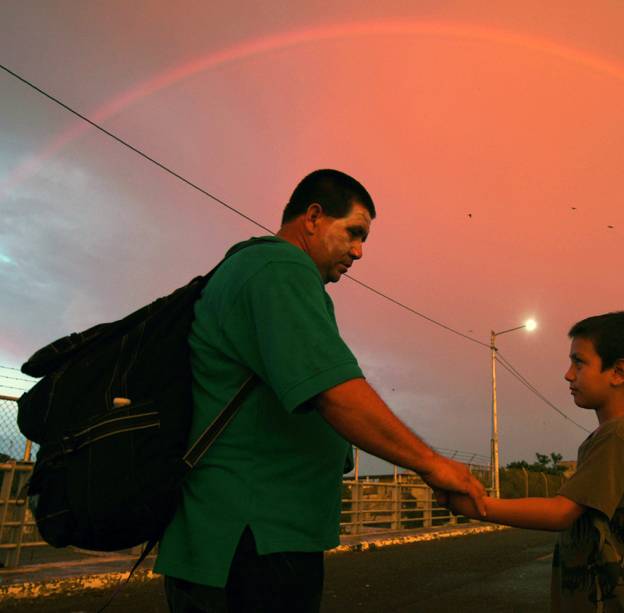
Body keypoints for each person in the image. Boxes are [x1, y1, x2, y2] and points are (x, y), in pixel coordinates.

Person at [154, 169, 486, 612]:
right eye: (353, 232)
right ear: (312, 218)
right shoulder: (279, 268)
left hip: (249, 539)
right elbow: (335, 391)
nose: (359, 251)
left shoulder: (261, 270)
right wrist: (432, 464)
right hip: (249, 541)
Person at [446, 311, 624, 612]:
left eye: (579, 362)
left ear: (618, 372)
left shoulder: (620, 435)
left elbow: (561, 512)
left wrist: (478, 505)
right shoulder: (623, 433)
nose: (568, 374)